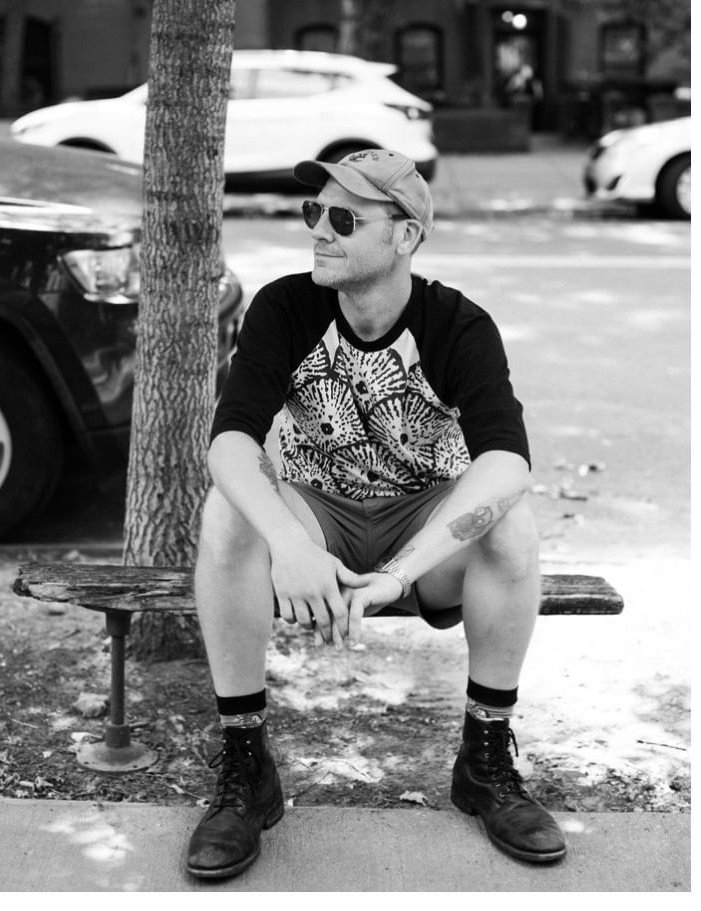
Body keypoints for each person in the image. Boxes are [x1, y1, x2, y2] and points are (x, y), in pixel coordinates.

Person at [187, 149, 566, 879]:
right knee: (228, 511)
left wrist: (398, 574)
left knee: (512, 519)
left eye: (344, 218)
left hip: (421, 524)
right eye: (313, 213)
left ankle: (484, 758)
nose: (319, 231)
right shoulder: (286, 306)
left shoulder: (457, 324)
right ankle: (245, 766)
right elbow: (230, 441)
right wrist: (288, 543)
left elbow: (506, 462)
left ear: (405, 237)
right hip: (317, 511)